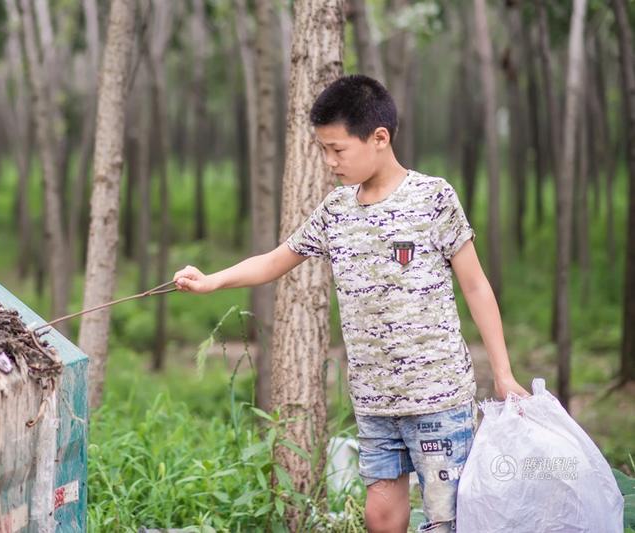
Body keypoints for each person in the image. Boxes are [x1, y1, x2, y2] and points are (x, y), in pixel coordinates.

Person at [172, 74, 530, 533]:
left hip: (437, 396)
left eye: (337, 150)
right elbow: (276, 260)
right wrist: (210, 281)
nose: (328, 162)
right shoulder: (335, 211)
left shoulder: (433, 198)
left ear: (379, 138)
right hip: (373, 399)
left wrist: (502, 372)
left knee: (447, 518)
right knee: (380, 515)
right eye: (323, 149)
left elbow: (477, 286)